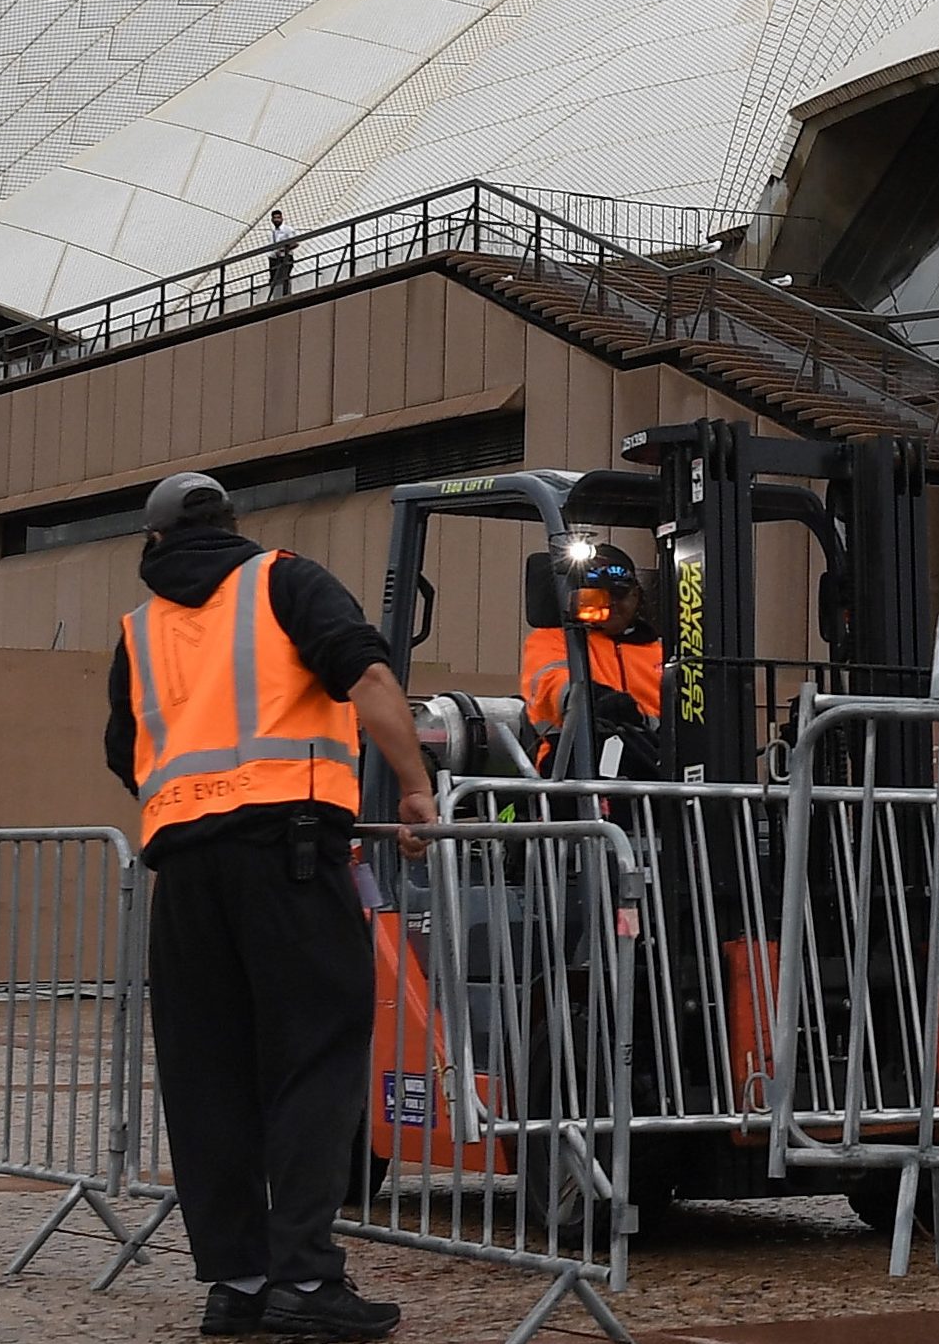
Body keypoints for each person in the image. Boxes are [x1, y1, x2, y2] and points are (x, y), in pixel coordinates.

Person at [105, 472, 440, 1339]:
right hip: (286, 857)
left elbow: (123, 749)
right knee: (313, 1058)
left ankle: (239, 1281)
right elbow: (365, 673)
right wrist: (413, 789)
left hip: (183, 870)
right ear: (232, 525)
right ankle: (304, 1277)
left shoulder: (139, 629)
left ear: (153, 542)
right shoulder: (282, 579)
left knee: (206, 1074)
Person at [515, 543, 670, 771]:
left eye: (620, 595)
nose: (611, 604)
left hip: (652, 763)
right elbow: (550, 682)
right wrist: (592, 698)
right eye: (599, 595)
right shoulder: (556, 639)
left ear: (636, 596)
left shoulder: (663, 651)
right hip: (572, 762)